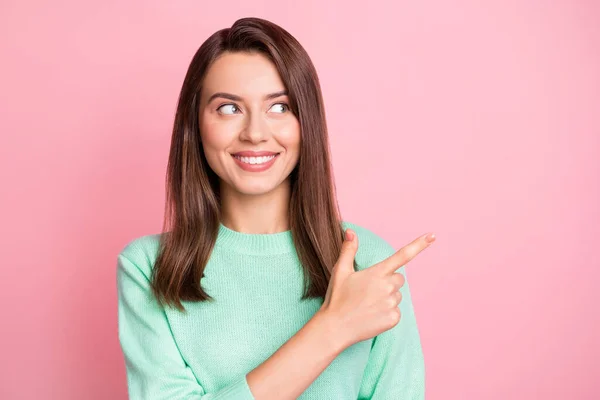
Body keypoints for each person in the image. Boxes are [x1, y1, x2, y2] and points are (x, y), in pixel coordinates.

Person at [116, 16, 433, 400]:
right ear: (195, 124)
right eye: (229, 109)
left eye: (280, 107)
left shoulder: (370, 265)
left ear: (307, 123)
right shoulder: (148, 267)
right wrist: (331, 329)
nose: (254, 132)